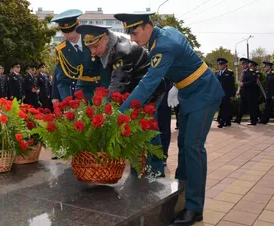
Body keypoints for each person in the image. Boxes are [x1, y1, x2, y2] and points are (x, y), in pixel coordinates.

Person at [114, 11, 223, 226]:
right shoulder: (164, 34)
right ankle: (181, 198)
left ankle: (194, 208)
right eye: (130, 36)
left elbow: (148, 84)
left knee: (193, 148)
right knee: (184, 145)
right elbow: (183, 54)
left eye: (135, 33)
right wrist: (178, 83)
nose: (133, 39)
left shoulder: (162, 46)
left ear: (147, 27)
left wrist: (120, 113)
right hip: (188, 93)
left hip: (204, 94)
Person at [76, 24, 166, 175]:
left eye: (95, 46)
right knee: (132, 131)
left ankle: (156, 171)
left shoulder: (122, 51)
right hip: (132, 90)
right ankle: (137, 170)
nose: (93, 52)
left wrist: (106, 111)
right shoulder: (107, 48)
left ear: (105, 38)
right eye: (90, 48)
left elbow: (119, 83)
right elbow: (108, 83)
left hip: (150, 91)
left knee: (148, 127)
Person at [51, 9, 103, 103]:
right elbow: (62, 80)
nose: (68, 34)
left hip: (101, 89)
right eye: (64, 31)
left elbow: (105, 67)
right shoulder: (62, 50)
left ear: (78, 26)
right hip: (81, 93)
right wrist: (67, 101)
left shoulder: (92, 40)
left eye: (70, 30)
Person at [215, 58, 235, 128]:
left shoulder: (229, 73)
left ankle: (222, 122)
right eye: (219, 64)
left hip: (227, 93)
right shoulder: (216, 73)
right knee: (223, 107)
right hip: (219, 93)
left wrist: (232, 95)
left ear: (225, 65)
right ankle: (227, 121)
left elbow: (232, 85)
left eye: (221, 64)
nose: (220, 66)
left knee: (225, 107)